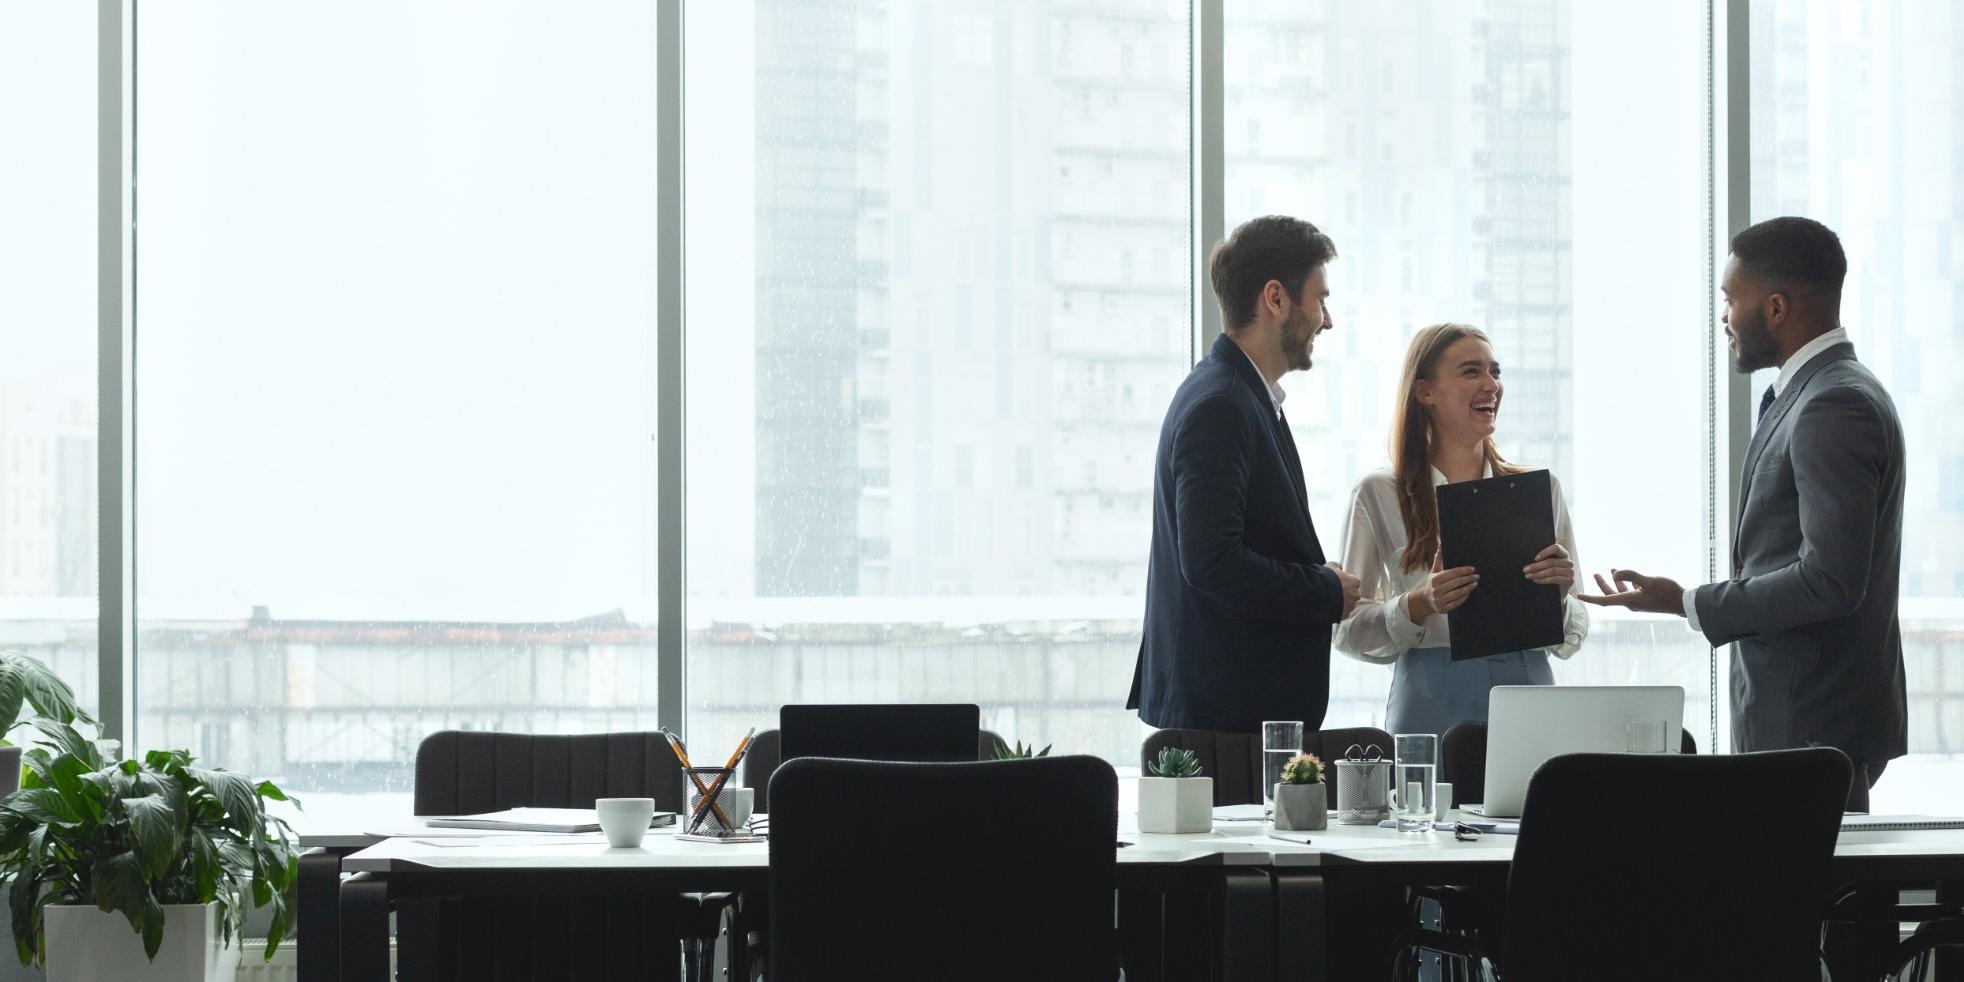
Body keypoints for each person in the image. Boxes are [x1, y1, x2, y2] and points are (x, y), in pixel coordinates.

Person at [1579, 216, 1906, 980]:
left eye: (1730, 298)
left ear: (1778, 307)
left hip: (1812, 723)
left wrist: (1697, 602)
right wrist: (1681, 600)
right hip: (1808, 717)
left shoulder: (1833, 405)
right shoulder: (1816, 394)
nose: (1722, 317)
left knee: (1794, 939)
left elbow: (1831, 579)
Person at [1128, 215, 1361, 733]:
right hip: (1226, 725)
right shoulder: (1222, 405)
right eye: (1320, 299)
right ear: (1275, 299)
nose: (1327, 320)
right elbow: (1212, 563)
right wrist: (1325, 591)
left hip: (1231, 715)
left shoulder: (1235, 395)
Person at [1333, 324, 1587, 738]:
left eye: (1495, 372)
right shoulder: (1377, 493)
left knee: (1534, 803)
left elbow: (1574, 633)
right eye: (1471, 371)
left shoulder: (1541, 490)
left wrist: (1557, 599)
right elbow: (1346, 632)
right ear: (1424, 391)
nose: (1492, 384)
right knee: (1428, 806)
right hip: (1430, 699)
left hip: (1529, 693)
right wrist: (1418, 604)